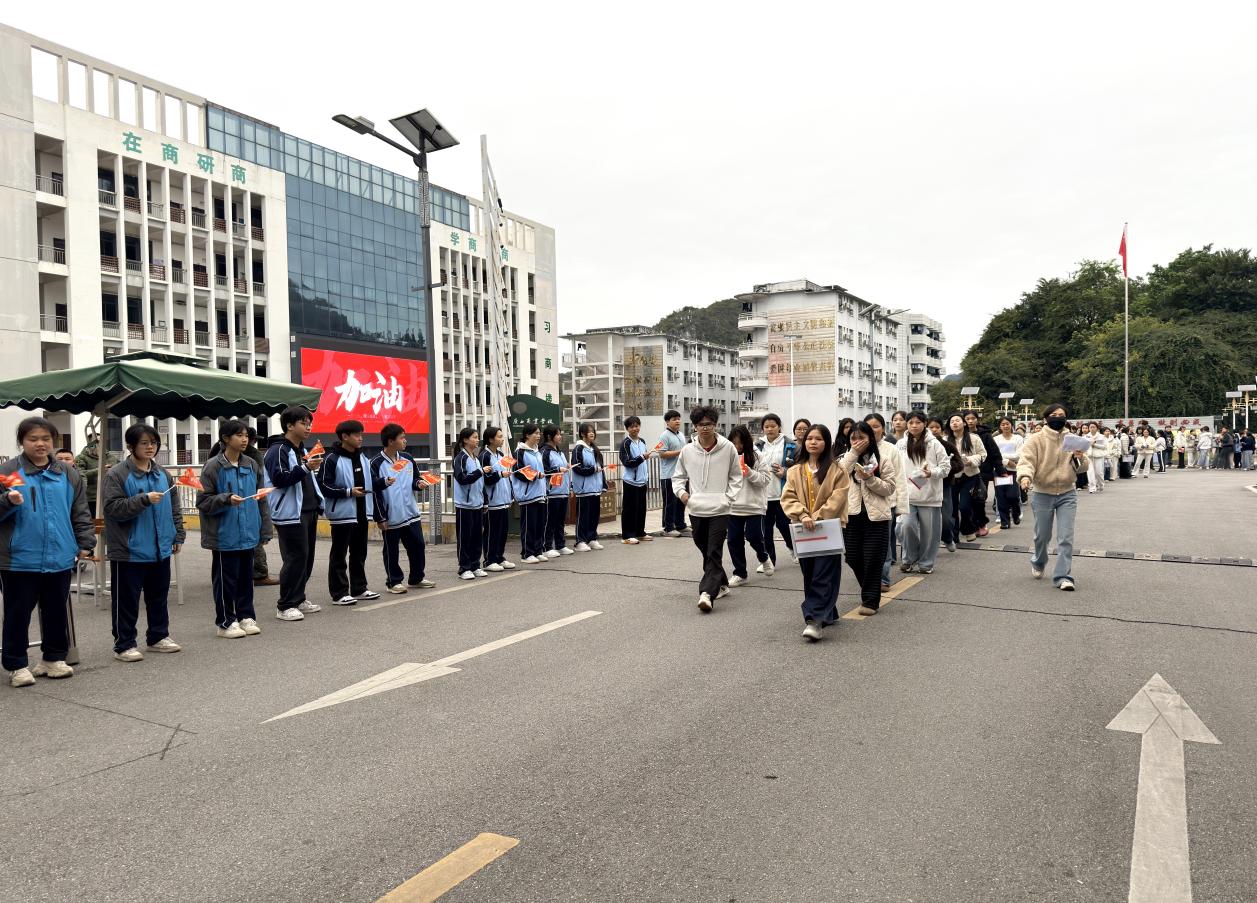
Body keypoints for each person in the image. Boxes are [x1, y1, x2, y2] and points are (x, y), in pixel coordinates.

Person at [1, 417, 94, 687]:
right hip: (19, 558)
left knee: (56, 610)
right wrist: (7, 501)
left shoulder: (68, 473)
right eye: (33, 439)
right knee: (18, 613)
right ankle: (16, 664)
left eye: (46, 439)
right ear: (22, 441)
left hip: (60, 554)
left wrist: (85, 541)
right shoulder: (8, 472)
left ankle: (53, 658)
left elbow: (80, 511)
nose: (40, 444)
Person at [102, 424, 186, 662]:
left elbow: (174, 507)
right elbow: (112, 509)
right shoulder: (117, 474)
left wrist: (177, 534)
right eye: (144, 443)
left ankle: (158, 636)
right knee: (126, 601)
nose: (151, 447)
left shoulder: (162, 474)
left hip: (160, 547)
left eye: (154, 443)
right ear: (130, 446)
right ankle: (124, 644)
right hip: (129, 550)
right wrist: (144, 499)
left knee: (158, 596)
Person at [197, 420, 271, 637]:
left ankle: (246, 616)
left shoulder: (251, 464)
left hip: (248, 532)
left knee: (246, 578)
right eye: (239, 435)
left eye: (246, 435)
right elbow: (202, 501)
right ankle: (226, 622)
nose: (244, 439)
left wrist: (265, 529)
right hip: (224, 535)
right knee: (225, 581)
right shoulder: (213, 466)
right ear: (226, 439)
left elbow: (261, 499)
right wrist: (225, 499)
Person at [780, 423, 849, 641]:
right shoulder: (795, 471)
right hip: (803, 530)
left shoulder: (838, 470)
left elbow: (838, 498)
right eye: (810, 438)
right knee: (810, 573)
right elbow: (788, 497)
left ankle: (815, 619)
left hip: (828, 528)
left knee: (824, 573)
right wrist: (802, 515)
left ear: (826, 442)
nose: (813, 442)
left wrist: (817, 517)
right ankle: (829, 611)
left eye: (818, 439)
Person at [670, 406, 742, 613]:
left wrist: (728, 498)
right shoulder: (687, 450)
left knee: (713, 550)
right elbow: (678, 477)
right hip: (696, 509)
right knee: (705, 549)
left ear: (715, 425)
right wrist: (683, 495)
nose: (705, 428)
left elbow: (736, 476)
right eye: (700, 424)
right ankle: (722, 584)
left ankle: (707, 593)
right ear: (694, 426)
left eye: (709, 424)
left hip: (720, 509)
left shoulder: (728, 448)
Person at [264, 406, 324, 622]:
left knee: (305, 558)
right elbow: (280, 479)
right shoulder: (278, 450)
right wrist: (306, 468)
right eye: (303, 423)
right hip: (289, 513)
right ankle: (285, 605)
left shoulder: (300, 449)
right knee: (295, 558)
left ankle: (298, 598)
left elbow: (305, 478)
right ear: (289, 425)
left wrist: (318, 500)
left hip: (307, 510)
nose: (308, 427)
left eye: (309, 423)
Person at [1017, 404, 1083, 590]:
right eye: (1054, 415)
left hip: (1067, 493)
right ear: (1046, 418)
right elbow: (1026, 461)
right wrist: (1025, 477)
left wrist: (1079, 457)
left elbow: (1082, 467)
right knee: (1042, 536)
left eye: (1062, 415)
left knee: (1066, 537)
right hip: (1042, 493)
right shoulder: (1035, 439)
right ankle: (1038, 562)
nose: (1058, 418)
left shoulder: (1072, 439)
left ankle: (1063, 576)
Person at [837, 421, 897, 615]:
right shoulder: (844, 458)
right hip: (851, 516)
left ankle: (870, 601)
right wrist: (853, 453)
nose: (857, 442)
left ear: (870, 438)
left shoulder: (882, 459)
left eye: (861, 438)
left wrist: (869, 479)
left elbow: (889, 488)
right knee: (853, 557)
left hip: (877, 518)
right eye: (853, 438)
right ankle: (871, 589)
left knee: (873, 559)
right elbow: (837, 476)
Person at [371, 423, 436, 593]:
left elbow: (415, 479)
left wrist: (419, 484)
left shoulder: (407, 458)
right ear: (391, 441)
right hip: (391, 515)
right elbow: (374, 492)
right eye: (402, 438)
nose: (405, 440)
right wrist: (380, 517)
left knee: (418, 546)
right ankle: (393, 582)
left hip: (411, 512)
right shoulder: (376, 463)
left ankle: (416, 578)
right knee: (391, 550)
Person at [320, 420, 379, 604]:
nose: (361, 438)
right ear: (344, 437)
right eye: (357, 435)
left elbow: (371, 481)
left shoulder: (363, 458)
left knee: (359, 553)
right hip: (342, 514)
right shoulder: (331, 458)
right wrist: (348, 492)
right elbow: (324, 485)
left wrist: (384, 482)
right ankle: (339, 593)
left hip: (362, 512)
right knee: (339, 554)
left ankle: (359, 588)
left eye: (361, 434)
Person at [897, 412, 949, 574]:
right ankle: (909, 558)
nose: (914, 425)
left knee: (930, 533)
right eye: (910, 422)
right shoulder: (901, 444)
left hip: (929, 496)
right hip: (907, 495)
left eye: (918, 422)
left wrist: (931, 473)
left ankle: (926, 563)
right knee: (905, 526)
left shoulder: (935, 444)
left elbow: (946, 468)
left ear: (925, 423)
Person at [866, 413, 908, 590]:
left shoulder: (891, 449)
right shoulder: (857, 448)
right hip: (862, 505)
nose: (872, 430)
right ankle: (868, 575)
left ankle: (883, 578)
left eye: (876, 426)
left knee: (883, 543)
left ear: (883, 428)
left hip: (886, 503)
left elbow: (900, 478)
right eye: (868, 427)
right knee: (865, 543)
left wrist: (900, 506)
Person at [726, 425, 772, 586]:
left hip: (754, 505)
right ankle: (740, 573)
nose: (737, 446)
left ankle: (764, 557)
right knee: (733, 540)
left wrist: (748, 472)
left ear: (747, 442)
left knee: (754, 536)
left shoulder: (757, 456)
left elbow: (765, 480)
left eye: (740, 443)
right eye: (733, 443)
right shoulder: (726, 457)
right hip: (733, 506)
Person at [756, 414, 797, 567]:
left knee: (784, 525)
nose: (770, 429)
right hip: (764, 494)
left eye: (773, 426)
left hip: (782, 494)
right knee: (766, 530)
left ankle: (793, 548)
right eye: (766, 426)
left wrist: (785, 472)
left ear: (779, 427)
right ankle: (770, 561)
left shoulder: (790, 444)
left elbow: (799, 467)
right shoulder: (757, 445)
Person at [241, 427, 278, 587]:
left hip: (247, 504)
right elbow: (260, 488)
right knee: (255, 542)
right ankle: (259, 573)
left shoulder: (218, 454)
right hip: (250, 505)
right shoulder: (253, 458)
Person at [452, 427, 490, 579]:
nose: (477, 439)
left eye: (477, 437)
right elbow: (462, 478)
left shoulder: (475, 458)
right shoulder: (460, 458)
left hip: (477, 504)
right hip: (465, 505)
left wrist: (485, 501)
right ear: (465, 440)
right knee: (465, 538)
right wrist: (480, 471)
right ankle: (464, 568)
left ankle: (475, 565)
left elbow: (481, 483)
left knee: (476, 537)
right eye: (474, 437)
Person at [479, 426, 517, 570]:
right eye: (499, 436)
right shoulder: (485, 456)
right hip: (492, 502)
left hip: (503, 500)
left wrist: (510, 496)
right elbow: (485, 479)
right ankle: (489, 560)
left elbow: (507, 477)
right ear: (490, 439)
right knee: (491, 532)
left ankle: (499, 557)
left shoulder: (500, 454)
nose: (502, 439)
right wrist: (500, 475)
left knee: (502, 532)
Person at [947, 413, 986, 542]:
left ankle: (968, 529)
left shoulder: (974, 438)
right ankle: (954, 535)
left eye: (957, 420)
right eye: (952, 421)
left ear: (964, 423)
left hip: (970, 476)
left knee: (965, 506)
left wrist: (971, 460)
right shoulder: (946, 439)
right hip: (952, 476)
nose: (955, 423)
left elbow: (982, 454)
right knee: (952, 508)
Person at [512, 424, 549, 563]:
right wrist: (535, 475)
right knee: (529, 526)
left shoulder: (537, 452)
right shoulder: (519, 452)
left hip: (540, 493)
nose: (539, 436)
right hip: (528, 495)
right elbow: (518, 472)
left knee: (539, 524)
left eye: (539, 433)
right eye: (536, 433)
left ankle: (538, 551)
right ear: (527, 435)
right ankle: (527, 553)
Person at [927, 416, 964, 552]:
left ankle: (948, 538)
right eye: (931, 427)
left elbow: (959, 465)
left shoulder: (948, 446)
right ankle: (928, 547)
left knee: (946, 519)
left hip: (945, 485)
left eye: (937, 427)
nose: (934, 430)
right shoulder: (920, 445)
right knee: (926, 520)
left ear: (942, 430)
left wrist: (943, 469)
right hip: (924, 486)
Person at [618, 416, 655, 544]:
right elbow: (627, 462)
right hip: (631, 482)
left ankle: (639, 532)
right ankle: (627, 536)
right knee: (629, 510)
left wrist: (643, 458)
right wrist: (642, 457)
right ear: (627, 429)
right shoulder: (625, 443)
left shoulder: (642, 441)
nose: (635, 428)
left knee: (641, 509)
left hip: (642, 481)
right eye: (632, 426)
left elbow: (642, 459)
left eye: (637, 426)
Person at [570, 423, 606, 552]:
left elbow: (601, 468)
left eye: (593, 431)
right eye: (589, 431)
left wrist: (603, 485)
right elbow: (577, 468)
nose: (592, 433)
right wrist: (593, 469)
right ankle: (580, 540)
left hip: (595, 489)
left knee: (594, 515)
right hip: (584, 489)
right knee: (583, 516)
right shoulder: (578, 449)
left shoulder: (594, 449)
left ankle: (592, 538)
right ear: (582, 434)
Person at [964, 411, 1001, 537]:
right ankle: (970, 525)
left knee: (979, 499)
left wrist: (1000, 469)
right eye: (967, 418)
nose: (970, 421)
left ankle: (981, 524)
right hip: (964, 472)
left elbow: (994, 453)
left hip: (982, 472)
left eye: (972, 418)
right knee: (966, 501)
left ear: (977, 420)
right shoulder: (959, 434)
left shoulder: (985, 435)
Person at [541, 424, 574, 558]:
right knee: (550, 521)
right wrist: (557, 469)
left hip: (562, 491)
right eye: (558, 434)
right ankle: (546, 546)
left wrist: (570, 487)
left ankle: (560, 545)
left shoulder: (559, 452)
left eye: (560, 434)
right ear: (549, 436)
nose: (560, 437)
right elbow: (543, 471)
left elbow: (565, 471)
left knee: (560, 521)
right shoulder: (545, 451)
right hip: (552, 492)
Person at [656, 410, 688, 537]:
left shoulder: (681, 435)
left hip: (681, 475)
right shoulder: (664, 436)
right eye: (674, 419)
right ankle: (668, 528)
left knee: (681, 501)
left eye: (678, 419)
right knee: (670, 502)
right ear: (667, 422)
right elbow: (662, 453)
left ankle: (680, 525)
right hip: (668, 475)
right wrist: (680, 452)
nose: (677, 421)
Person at [74, 432, 117, 515]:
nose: (99, 444)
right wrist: (99, 470)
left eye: (102, 441)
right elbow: (79, 474)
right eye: (97, 441)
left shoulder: (111, 457)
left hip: (109, 496)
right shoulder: (81, 457)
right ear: (89, 443)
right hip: (90, 499)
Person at [992, 417, 1024, 527]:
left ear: (1011, 425)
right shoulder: (996, 439)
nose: (1005, 426)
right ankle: (1004, 521)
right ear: (999, 427)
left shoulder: (1018, 438)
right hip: (999, 470)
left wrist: (1003, 457)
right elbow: (994, 455)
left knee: (1013, 496)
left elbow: (1019, 455)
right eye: (1003, 424)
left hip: (1013, 470)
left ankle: (1016, 513)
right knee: (1001, 497)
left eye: (1007, 424)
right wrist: (1007, 461)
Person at [1085, 422, 1107, 494]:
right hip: (1089, 456)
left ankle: (1101, 485)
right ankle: (1092, 487)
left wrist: (1094, 444)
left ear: (1097, 428)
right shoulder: (1086, 437)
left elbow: (1104, 447)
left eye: (1093, 427)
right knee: (1090, 472)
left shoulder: (1101, 437)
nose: (1092, 428)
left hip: (1098, 456)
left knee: (1099, 473)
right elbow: (1083, 446)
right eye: (1090, 427)